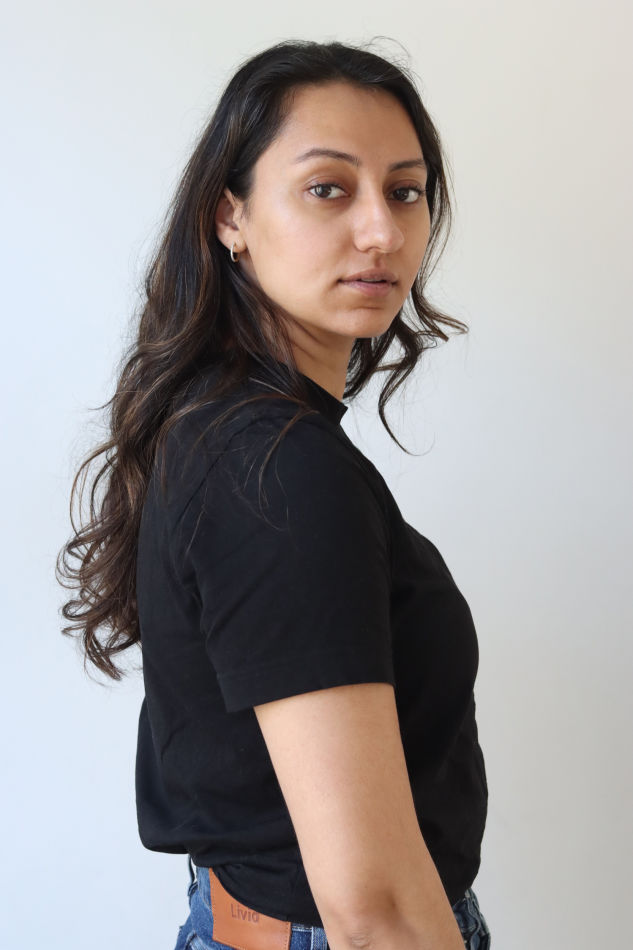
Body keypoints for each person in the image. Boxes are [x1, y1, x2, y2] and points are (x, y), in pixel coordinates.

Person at [57, 38, 490, 950]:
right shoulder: (277, 470)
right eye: (327, 188)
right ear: (231, 216)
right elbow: (372, 908)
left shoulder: (224, 428)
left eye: (405, 191)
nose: (381, 232)